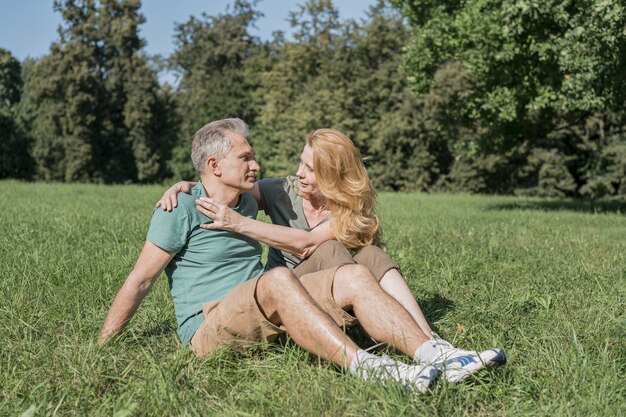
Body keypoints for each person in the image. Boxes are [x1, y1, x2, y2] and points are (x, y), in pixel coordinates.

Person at [156, 126, 506, 382]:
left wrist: (238, 224)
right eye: (301, 163)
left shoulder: (347, 209)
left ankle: (431, 345)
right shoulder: (280, 190)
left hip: (316, 279)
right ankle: (373, 346)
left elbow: (308, 245)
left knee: (365, 255)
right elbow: (225, 185)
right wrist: (186, 186)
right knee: (323, 259)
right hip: (279, 290)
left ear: (333, 175)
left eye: (310, 169)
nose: (299, 173)